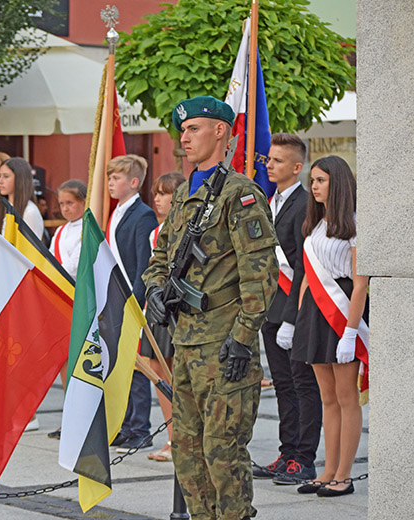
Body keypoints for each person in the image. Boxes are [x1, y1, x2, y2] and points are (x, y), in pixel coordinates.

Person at [143, 96, 278, 520]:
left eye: (193, 129)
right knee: (186, 450)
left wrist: (242, 338)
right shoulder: (185, 193)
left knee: (223, 451)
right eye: (182, 131)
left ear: (220, 131)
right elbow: (160, 257)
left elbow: (261, 274)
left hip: (223, 344)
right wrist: (155, 290)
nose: (184, 138)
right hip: (185, 342)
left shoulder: (240, 194)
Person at [291, 155, 368, 497]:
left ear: (338, 183)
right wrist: (299, 320)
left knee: (347, 396)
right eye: (313, 180)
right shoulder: (316, 224)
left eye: (321, 180)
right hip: (315, 313)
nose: (314, 186)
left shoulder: (356, 224)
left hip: (343, 311)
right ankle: (328, 470)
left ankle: (345, 475)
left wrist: (350, 332)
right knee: (327, 398)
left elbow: (360, 284)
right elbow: (308, 277)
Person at [253, 133, 322, 484]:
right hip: (270, 308)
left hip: (295, 311)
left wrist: (292, 319)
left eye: (277, 161)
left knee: (302, 385)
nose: (269, 165)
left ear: (297, 167)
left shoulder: (305, 204)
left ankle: (304, 459)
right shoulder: (270, 202)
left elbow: (303, 267)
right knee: (282, 385)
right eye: (269, 159)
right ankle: (288, 453)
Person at [103, 154, 159, 453]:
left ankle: (140, 429)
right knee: (120, 366)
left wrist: (135, 304)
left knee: (136, 368)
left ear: (134, 182)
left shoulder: (143, 215)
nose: (110, 183)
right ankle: (124, 425)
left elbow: (142, 265)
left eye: (116, 178)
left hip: (132, 302)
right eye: (109, 178)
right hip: (114, 300)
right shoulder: (116, 212)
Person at [144, 171, 185, 462]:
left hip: (182, 308)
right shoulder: (155, 232)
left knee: (181, 373)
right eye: (156, 194)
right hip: (158, 307)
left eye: (164, 193)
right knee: (159, 370)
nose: (158, 199)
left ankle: (185, 438)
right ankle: (171, 437)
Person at [45, 179, 86, 439]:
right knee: (64, 359)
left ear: (83, 202)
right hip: (60, 301)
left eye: (70, 203)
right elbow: (51, 260)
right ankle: (69, 415)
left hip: (77, 299)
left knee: (79, 360)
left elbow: (74, 265)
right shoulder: (60, 232)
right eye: (61, 204)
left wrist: (55, 274)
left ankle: (81, 418)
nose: (65, 208)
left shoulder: (88, 229)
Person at [0, 157, 45, 238]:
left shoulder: (30, 212)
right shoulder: (3, 207)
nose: (0, 181)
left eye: (6, 176)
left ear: (20, 178)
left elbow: (31, 245)